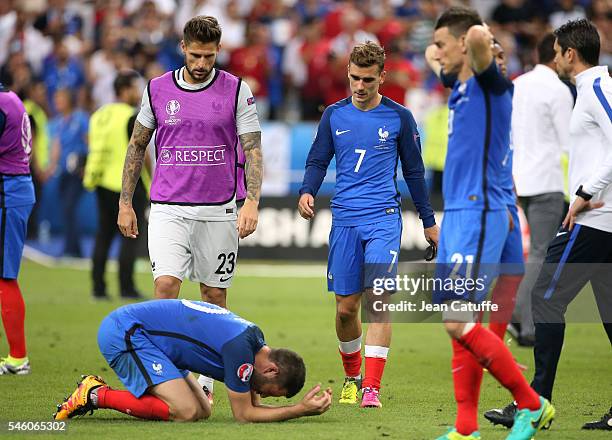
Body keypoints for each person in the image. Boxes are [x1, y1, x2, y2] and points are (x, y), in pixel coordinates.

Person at [426, 7, 554, 439]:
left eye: (446, 45)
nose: (436, 52)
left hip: (477, 213)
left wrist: (474, 37)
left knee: (457, 322)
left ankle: (531, 404)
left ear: (466, 47)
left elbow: (477, 38)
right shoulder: (461, 86)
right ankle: (466, 429)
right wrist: (446, 51)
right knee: (468, 330)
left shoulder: (489, 84)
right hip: (482, 211)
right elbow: (435, 55)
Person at [485, 18, 612, 432]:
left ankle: (534, 402)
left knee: (545, 297)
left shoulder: (596, 88)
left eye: (557, 52)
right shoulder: (589, 89)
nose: (553, 58)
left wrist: (583, 192)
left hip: (594, 219)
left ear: (570, 54)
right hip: (600, 218)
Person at [298, 41, 439, 409]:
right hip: (344, 218)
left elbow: (414, 172)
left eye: (368, 80)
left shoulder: (399, 117)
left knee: (378, 298)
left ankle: (372, 388)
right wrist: (307, 191)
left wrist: (428, 221)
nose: (360, 87)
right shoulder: (333, 115)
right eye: (355, 79)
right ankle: (351, 377)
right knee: (346, 308)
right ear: (348, 74)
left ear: (382, 78)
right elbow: (317, 160)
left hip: (383, 219)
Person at [117, 15, 262, 309]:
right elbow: (136, 146)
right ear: (183, 47)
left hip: (218, 210)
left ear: (218, 50)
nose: (200, 64)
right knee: (166, 287)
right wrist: (125, 203)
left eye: (208, 56)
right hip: (167, 208)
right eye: (195, 55)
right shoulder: (157, 89)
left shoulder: (236, 90)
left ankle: (214, 356)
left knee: (214, 295)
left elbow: (253, 149)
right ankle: (164, 356)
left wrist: (252, 202)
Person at [53, 299, 332, 422]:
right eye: (269, 390)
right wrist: (299, 410)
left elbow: (253, 404)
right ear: (271, 369)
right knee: (185, 412)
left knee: (203, 411)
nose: (259, 393)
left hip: (154, 342)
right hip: (126, 332)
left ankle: (96, 393)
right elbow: (245, 415)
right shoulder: (241, 351)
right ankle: (94, 394)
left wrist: (295, 405)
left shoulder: (255, 342)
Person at [507, 33, 573, 348]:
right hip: (546, 180)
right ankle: (521, 316)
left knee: (533, 250)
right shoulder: (558, 90)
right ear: (557, 55)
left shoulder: (518, 84)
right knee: (541, 252)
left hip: (519, 178)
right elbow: (567, 142)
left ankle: (521, 315)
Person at [84, 70, 149, 301]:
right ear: (126, 90)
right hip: (128, 185)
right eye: (135, 87)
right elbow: (140, 151)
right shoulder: (132, 116)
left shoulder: (100, 114)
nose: (139, 93)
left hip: (101, 181)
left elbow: (90, 142)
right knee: (130, 236)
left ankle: (98, 288)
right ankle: (126, 287)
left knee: (103, 236)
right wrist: (152, 179)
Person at [0, 83, 35, 375]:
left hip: (7, 193)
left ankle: (18, 358)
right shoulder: (11, 99)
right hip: (14, 187)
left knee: (4, 276)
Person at [46, 88, 89, 258]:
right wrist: (51, 167)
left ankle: (72, 249)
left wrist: (88, 166)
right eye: (56, 99)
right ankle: (72, 247)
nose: (57, 103)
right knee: (66, 209)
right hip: (64, 172)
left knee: (70, 207)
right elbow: (56, 147)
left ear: (69, 99)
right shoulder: (58, 122)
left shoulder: (80, 118)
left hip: (77, 173)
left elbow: (89, 141)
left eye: (60, 99)